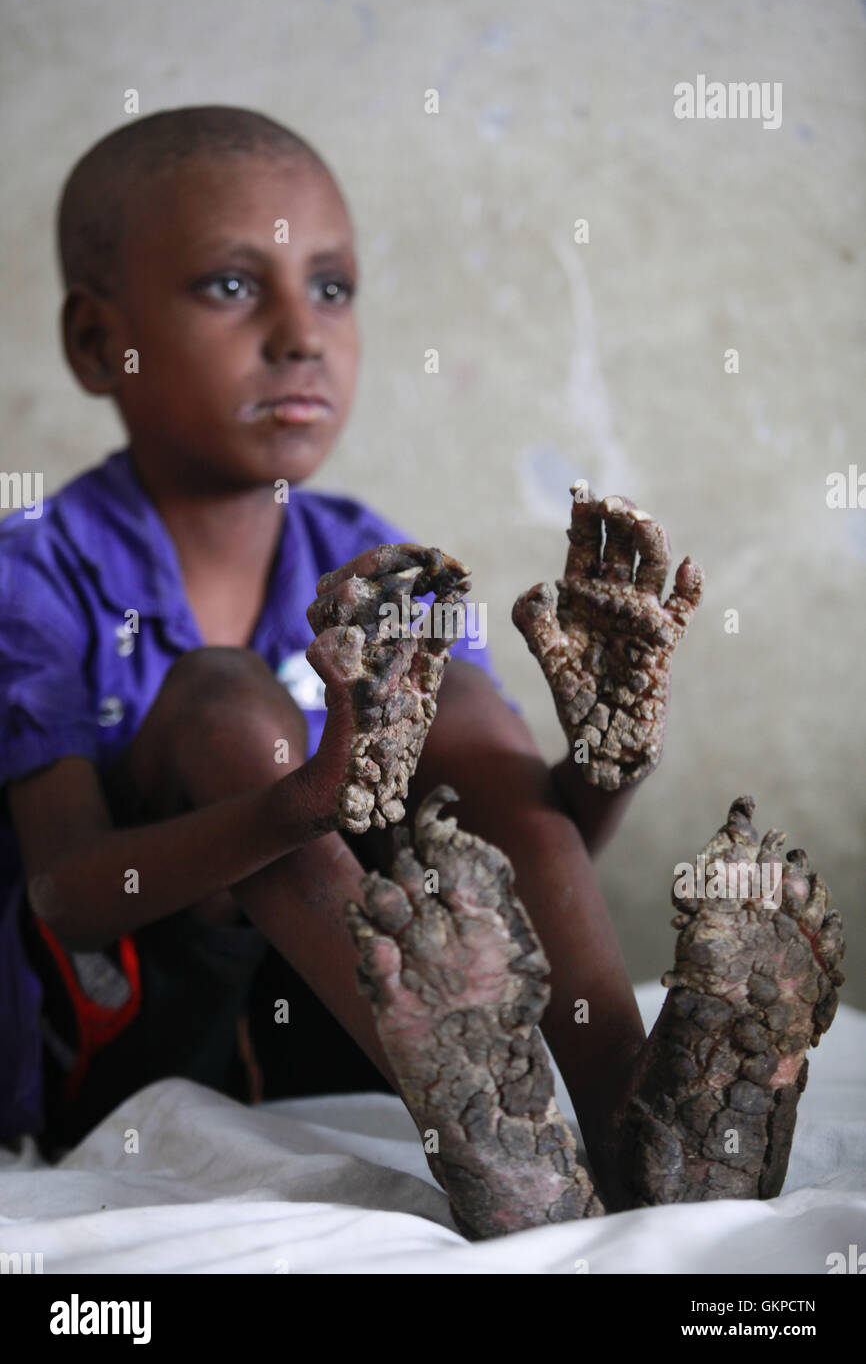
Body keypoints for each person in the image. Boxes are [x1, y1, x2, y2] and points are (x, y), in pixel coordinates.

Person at [0, 107, 843, 1238]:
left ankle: (623, 1114)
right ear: (101, 342)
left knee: (463, 721)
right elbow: (67, 895)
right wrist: (300, 802)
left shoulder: (373, 551)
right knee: (223, 700)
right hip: (132, 1051)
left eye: (332, 288)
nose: (300, 333)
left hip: (331, 1027)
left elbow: (504, 868)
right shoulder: (35, 577)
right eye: (231, 287)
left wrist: (606, 759)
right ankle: (469, 1110)